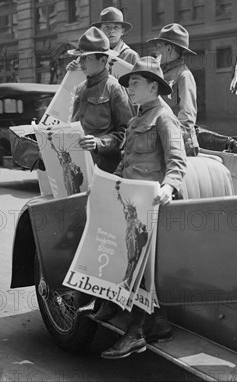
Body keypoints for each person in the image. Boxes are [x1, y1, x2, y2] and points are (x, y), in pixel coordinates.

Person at [98, 56, 187, 360]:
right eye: (129, 83)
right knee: (128, 261)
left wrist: (169, 187)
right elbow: (127, 162)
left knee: (138, 265)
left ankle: (136, 332)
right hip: (132, 204)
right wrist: (112, 184)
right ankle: (158, 325)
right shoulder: (137, 119)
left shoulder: (164, 117)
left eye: (134, 83)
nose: (130, 88)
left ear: (153, 86)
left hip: (155, 206)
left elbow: (177, 162)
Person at [67, 26, 133, 173]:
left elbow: (126, 132)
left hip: (105, 170)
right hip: (79, 168)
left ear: (103, 60)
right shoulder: (80, 89)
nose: (81, 62)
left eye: (86, 58)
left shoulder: (114, 88)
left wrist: (98, 143)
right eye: (80, 57)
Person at [147, 23, 200, 156]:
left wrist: (164, 137)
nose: (156, 49)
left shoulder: (184, 76)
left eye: (159, 45)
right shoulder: (158, 73)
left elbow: (187, 122)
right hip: (158, 144)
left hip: (181, 148)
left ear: (169, 49)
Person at [67, 7, 139, 72]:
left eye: (116, 27)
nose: (111, 31)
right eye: (107, 27)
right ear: (100, 30)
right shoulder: (91, 53)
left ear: (122, 31)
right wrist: (72, 71)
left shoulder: (131, 56)